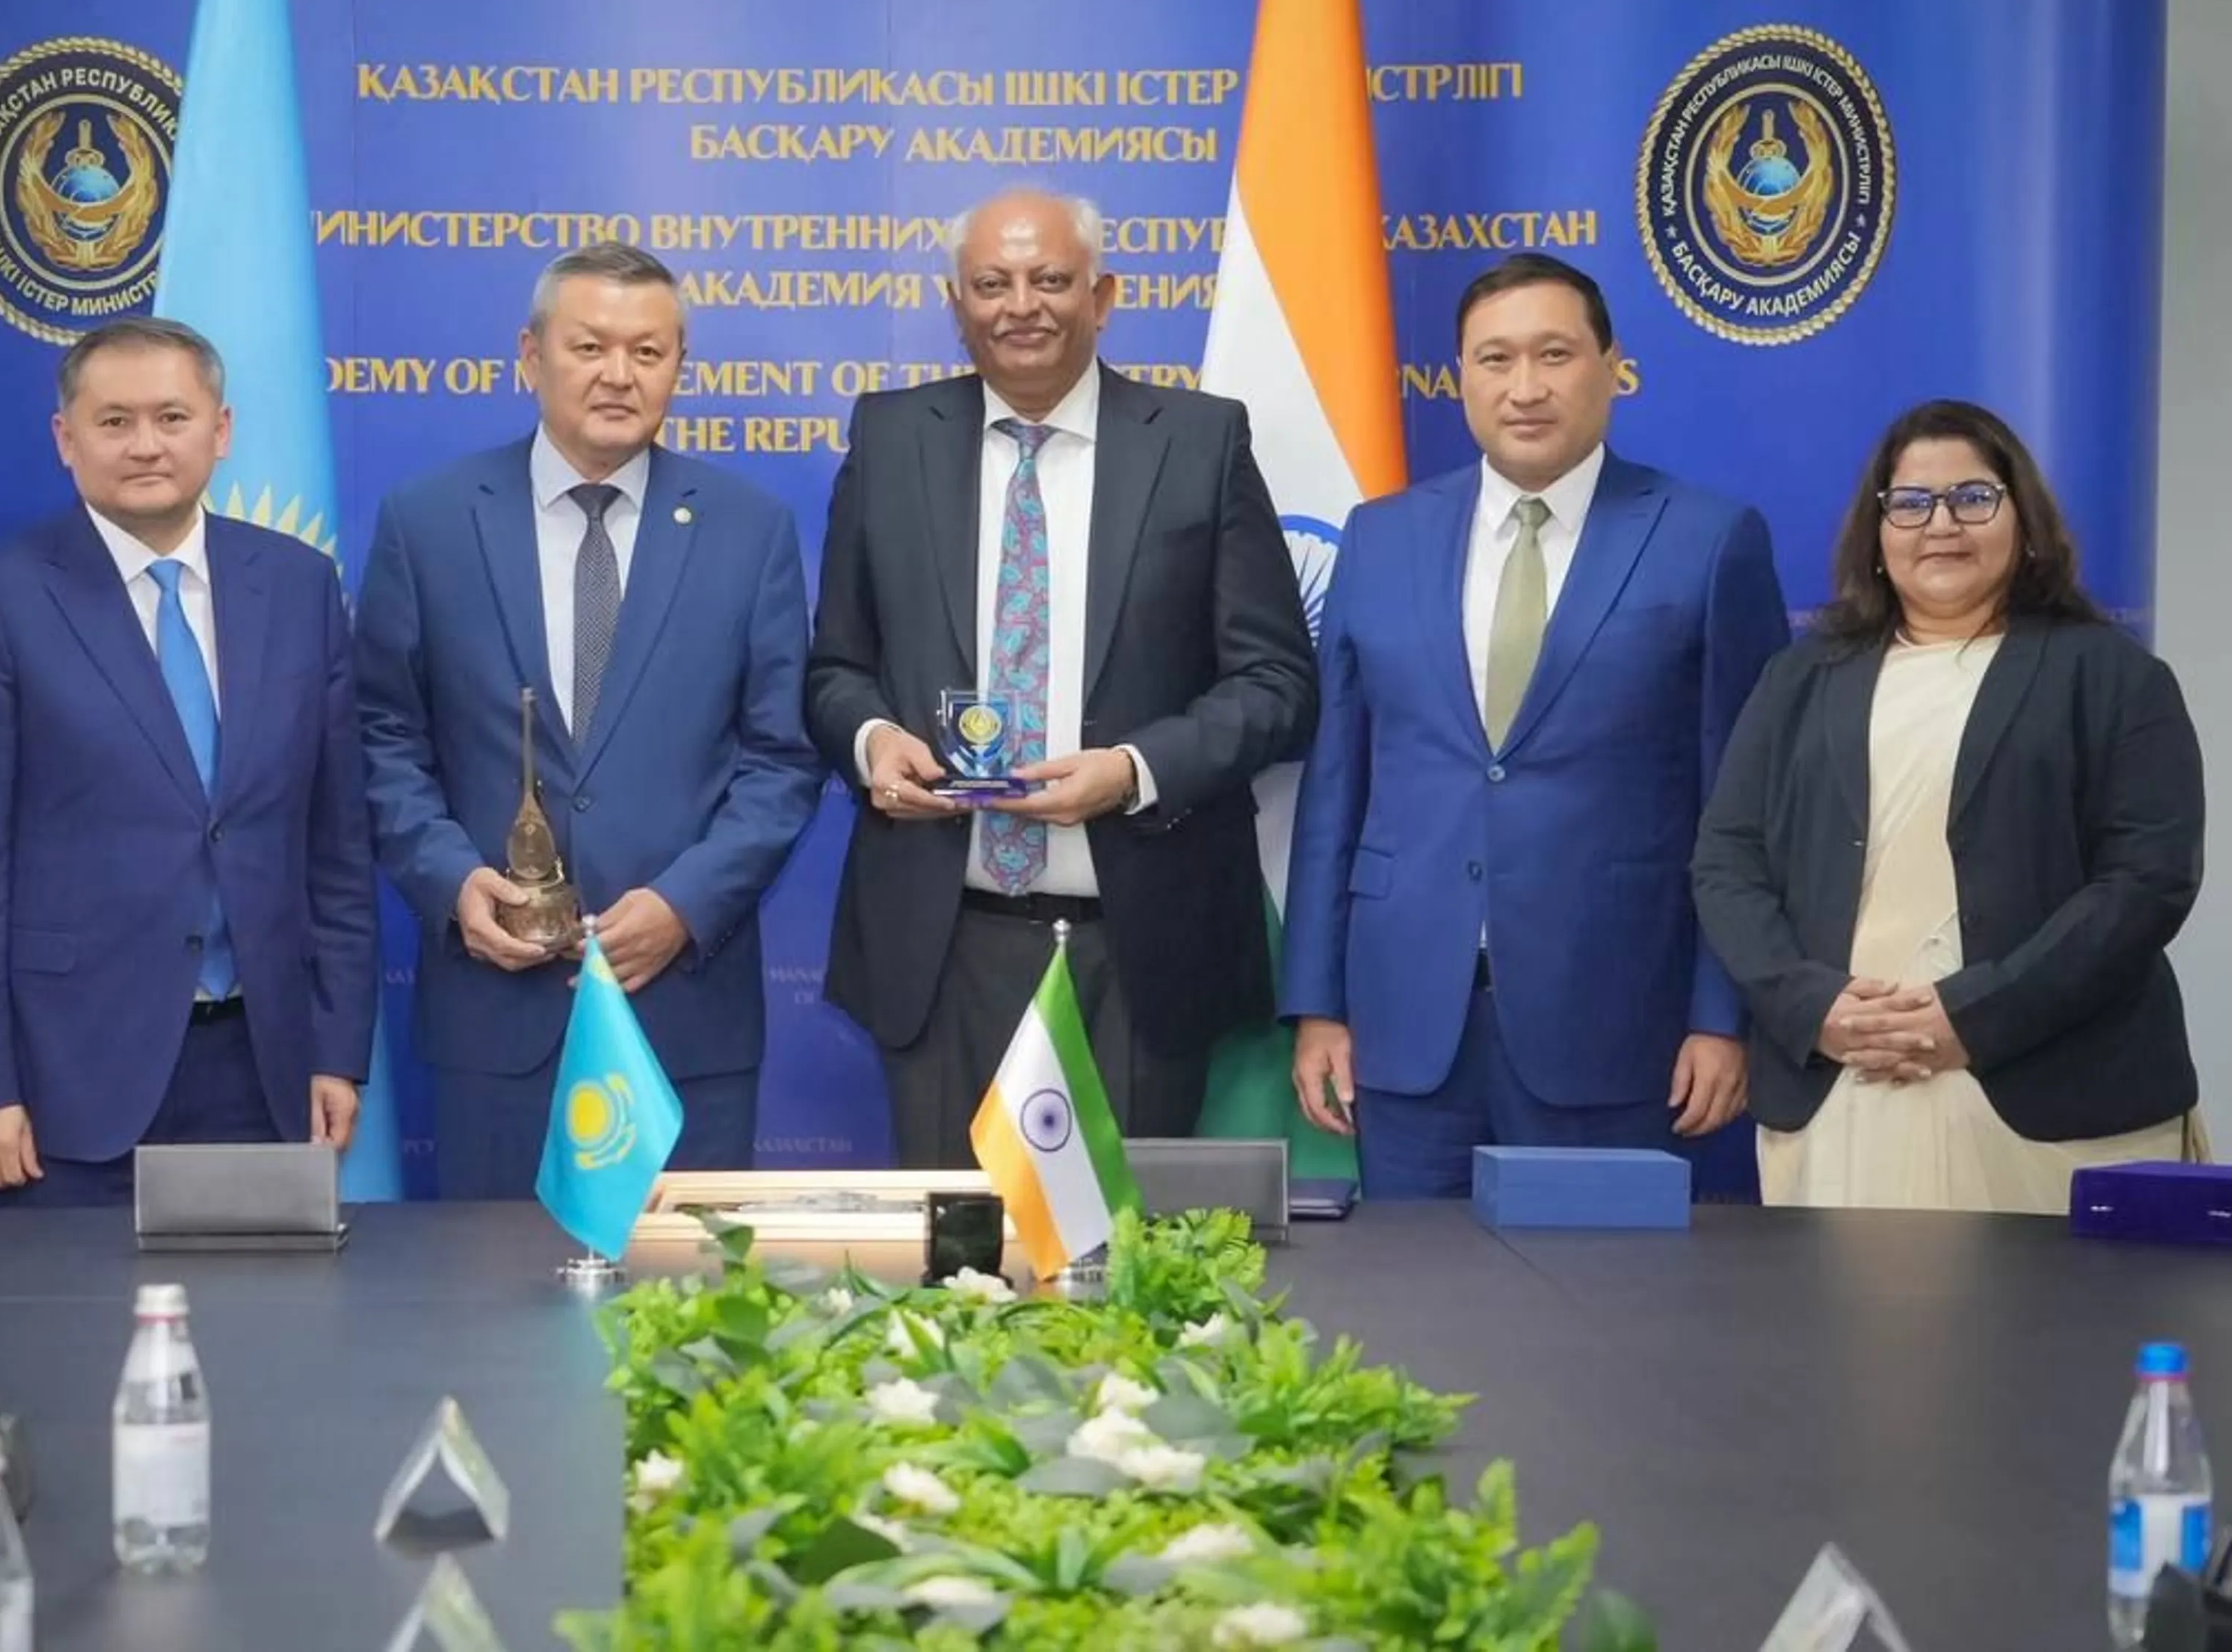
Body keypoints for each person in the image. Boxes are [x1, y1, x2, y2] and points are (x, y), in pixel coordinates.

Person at [807, 187, 1315, 1167]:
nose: (1021, 306)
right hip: (941, 947)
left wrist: (1132, 770)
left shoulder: (1200, 442)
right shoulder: (889, 438)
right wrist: (873, 742)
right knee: (955, 1248)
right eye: (992, 284)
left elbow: (1279, 684)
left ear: (1103, 295)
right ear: (957, 303)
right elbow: (835, 667)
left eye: (1049, 279)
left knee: (1128, 1250)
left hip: (1142, 947)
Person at [1283, 251, 1788, 1199]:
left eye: (1554, 354)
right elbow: (1335, 787)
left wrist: (1723, 1015)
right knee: (1413, 1289)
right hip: (1404, 1026)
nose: (1524, 388)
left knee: (1598, 1289)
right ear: (1459, 378)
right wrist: (1318, 1004)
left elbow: (1747, 805)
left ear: (1613, 368)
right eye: (1495, 359)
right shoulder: (1381, 536)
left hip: (1617, 1024)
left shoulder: (1708, 539)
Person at [356, 242, 822, 1197]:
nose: (619, 374)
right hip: (496, 1017)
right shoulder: (429, 520)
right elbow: (383, 737)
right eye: (590, 346)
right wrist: (453, 881)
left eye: (648, 352)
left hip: (683, 1013)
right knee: (489, 1287)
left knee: (689, 1288)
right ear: (530, 355)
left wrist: (686, 905)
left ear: (679, 367)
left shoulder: (749, 529)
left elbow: (783, 758)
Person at [0, 316, 373, 1205]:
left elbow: (337, 848)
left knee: (266, 1303)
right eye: (115, 422)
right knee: (68, 1305)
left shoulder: (300, 587)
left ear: (221, 431)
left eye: (172, 417)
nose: (146, 445)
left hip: (265, 1068)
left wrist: (338, 1050)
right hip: (65, 1078)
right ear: (65, 438)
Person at [1693, 400, 2205, 1211]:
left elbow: (2148, 881)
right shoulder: (1799, 679)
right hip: (1842, 1076)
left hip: (2054, 1096)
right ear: (1878, 533)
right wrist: (1812, 1005)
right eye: (1911, 503)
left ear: (2024, 521)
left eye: (1973, 498)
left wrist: (1974, 1016)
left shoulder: (2111, 675)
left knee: (2044, 1304)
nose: (1941, 524)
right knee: (1837, 1302)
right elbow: (1727, 862)